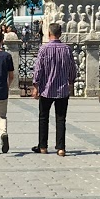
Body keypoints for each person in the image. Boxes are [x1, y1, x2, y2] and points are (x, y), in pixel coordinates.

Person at [32, 22, 76, 155]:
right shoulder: (67, 49)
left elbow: (38, 68)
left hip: (46, 89)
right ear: (60, 34)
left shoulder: (44, 49)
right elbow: (72, 68)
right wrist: (71, 81)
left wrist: (35, 85)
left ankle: (43, 146)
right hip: (62, 89)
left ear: (49, 34)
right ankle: (61, 148)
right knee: (61, 118)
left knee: (43, 117)